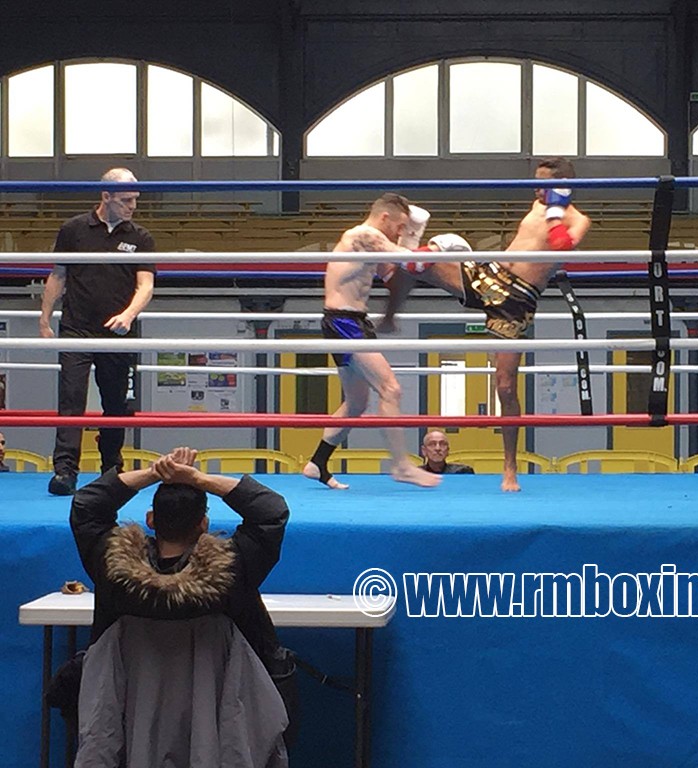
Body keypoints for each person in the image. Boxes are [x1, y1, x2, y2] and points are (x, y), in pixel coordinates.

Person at [383, 157, 591, 492]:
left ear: (564, 183)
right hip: (490, 274)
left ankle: (510, 468)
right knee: (418, 263)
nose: (535, 189)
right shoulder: (536, 205)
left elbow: (564, 244)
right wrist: (548, 206)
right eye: (533, 182)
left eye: (543, 184)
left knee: (505, 387)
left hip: (517, 300)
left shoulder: (578, 218)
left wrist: (557, 212)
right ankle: (406, 252)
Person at [70, 446, 296, 746]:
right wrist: (199, 479)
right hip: (223, 736)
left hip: (127, 733)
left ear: (151, 520)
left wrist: (154, 473)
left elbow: (86, 505)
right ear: (204, 524)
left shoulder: (112, 569)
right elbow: (270, 510)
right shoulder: (232, 571)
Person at [302, 193, 441, 490]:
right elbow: (407, 259)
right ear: (384, 218)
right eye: (399, 226)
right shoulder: (363, 235)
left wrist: (412, 233)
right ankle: (402, 465)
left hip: (351, 321)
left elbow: (396, 271)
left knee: (356, 403)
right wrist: (427, 240)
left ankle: (317, 463)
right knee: (390, 388)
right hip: (344, 321)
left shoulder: (372, 244)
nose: (401, 232)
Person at [41, 168, 156, 496]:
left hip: (118, 332)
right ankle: (65, 470)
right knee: (71, 398)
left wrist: (129, 314)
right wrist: (44, 320)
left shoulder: (141, 236)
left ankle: (111, 468)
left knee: (116, 401)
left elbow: (146, 285)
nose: (132, 206)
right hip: (77, 327)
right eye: (125, 200)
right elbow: (58, 275)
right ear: (105, 196)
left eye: (135, 199)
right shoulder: (73, 229)